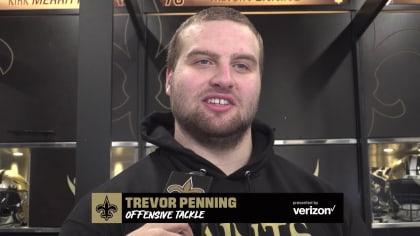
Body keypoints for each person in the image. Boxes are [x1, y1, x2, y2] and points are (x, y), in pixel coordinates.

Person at [59, 7, 370, 236]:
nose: (224, 79)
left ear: (259, 82)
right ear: (169, 80)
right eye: (204, 61)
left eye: (242, 65)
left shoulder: (329, 211)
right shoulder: (102, 212)